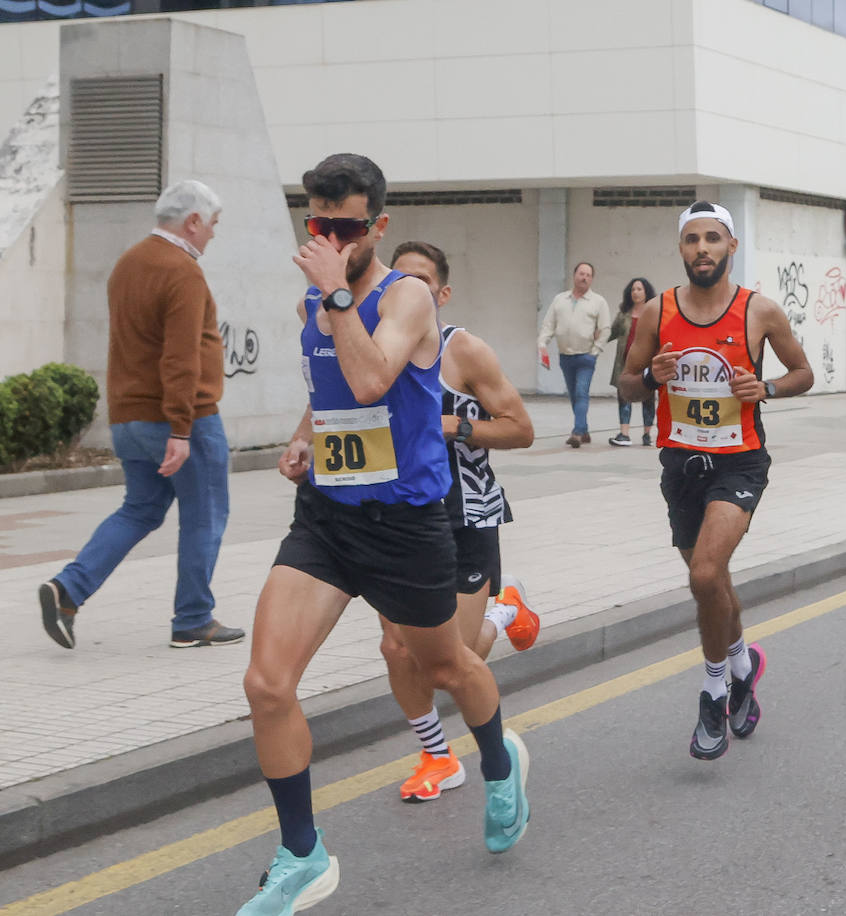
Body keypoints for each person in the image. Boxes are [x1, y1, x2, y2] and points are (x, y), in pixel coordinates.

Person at [237, 154, 530, 916]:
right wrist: (305, 440)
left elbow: (372, 378)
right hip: (329, 520)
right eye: (319, 224)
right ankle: (302, 855)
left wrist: (335, 290)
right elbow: (335, 394)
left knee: (446, 667)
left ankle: (500, 766)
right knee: (266, 684)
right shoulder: (316, 300)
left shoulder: (406, 298)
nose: (331, 237)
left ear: (378, 225)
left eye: (347, 227)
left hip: (405, 524)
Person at [619, 201, 813, 761]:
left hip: (739, 461)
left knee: (704, 574)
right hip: (681, 462)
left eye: (712, 239)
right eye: (691, 240)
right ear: (680, 249)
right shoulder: (658, 311)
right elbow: (628, 384)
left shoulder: (760, 311)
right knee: (713, 582)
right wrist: (649, 379)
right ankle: (744, 663)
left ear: (730, 246)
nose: (701, 249)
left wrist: (767, 389)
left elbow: (803, 373)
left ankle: (713, 689)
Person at [38, 179, 241, 651]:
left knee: (141, 509)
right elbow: (180, 356)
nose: (212, 234)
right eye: (212, 224)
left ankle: (68, 589)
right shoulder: (182, 270)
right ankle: (193, 619)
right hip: (180, 419)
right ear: (193, 222)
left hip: (128, 417)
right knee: (205, 514)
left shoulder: (128, 263)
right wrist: (182, 427)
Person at [383, 240, 541, 803]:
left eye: (420, 282)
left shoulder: (463, 351)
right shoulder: (371, 350)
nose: (406, 292)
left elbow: (521, 428)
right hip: (394, 517)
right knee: (398, 649)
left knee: (455, 657)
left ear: (442, 294)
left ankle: (504, 610)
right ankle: (436, 755)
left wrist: (455, 427)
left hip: (464, 513)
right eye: (396, 279)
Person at [537, 261, 610, 447]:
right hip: (565, 355)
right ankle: (584, 429)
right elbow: (549, 324)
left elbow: (605, 329)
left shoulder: (598, 302)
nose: (584, 277)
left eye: (588, 275)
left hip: (586, 356)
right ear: (574, 275)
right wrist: (542, 343)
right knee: (573, 394)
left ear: (592, 279)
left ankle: (577, 432)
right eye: (581, 273)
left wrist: (595, 351)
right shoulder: (560, 299)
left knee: (581, 392)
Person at [607, 277, 658, 446]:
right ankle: (624, 433)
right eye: (633, 289)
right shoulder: (623, 315)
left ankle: (647, 434)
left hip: (646, 362)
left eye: (639, 289)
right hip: (625, 363)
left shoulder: (653, 313)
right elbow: (610, 333)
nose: (636, 292)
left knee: (648, 398)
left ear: (646, 292)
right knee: (623, 396)